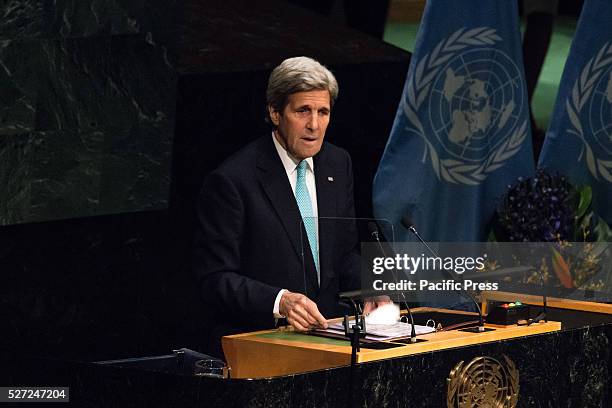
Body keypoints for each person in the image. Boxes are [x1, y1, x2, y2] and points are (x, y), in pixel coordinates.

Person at [193, 56, 387, 356]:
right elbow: (215, 279)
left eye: (323, 112)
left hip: (331, 341)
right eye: (302, 111)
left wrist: (370, 288)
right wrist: (280, 301)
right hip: (262, 346)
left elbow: (344, 253)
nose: (314, 125)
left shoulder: (338, 163)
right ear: (275, 112)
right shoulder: (233, 180)